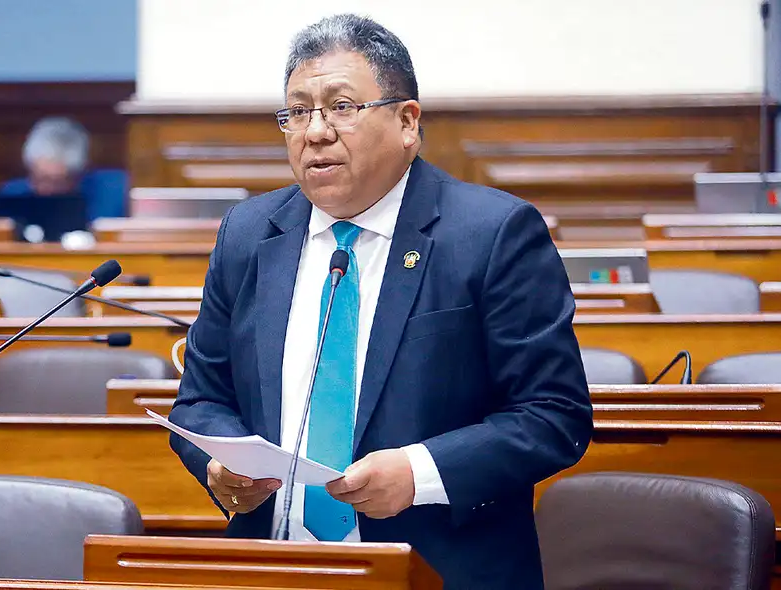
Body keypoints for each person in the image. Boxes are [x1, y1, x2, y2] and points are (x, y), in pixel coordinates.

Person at [167, 14, 592, 589]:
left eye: (341, 107)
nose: (315, 132)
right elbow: (199, 402)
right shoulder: (248, 235)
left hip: (441, 569)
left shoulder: (492, 234)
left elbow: (553, 416)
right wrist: (219, 468)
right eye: (297, 112)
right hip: (273, 568)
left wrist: (420, 474)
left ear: (407, 121)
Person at [0, 116, 90, 197]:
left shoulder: (100, 192)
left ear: (76, 178)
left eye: (57, 182)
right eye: (40, 179)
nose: (46, 190)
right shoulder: (11, 194)